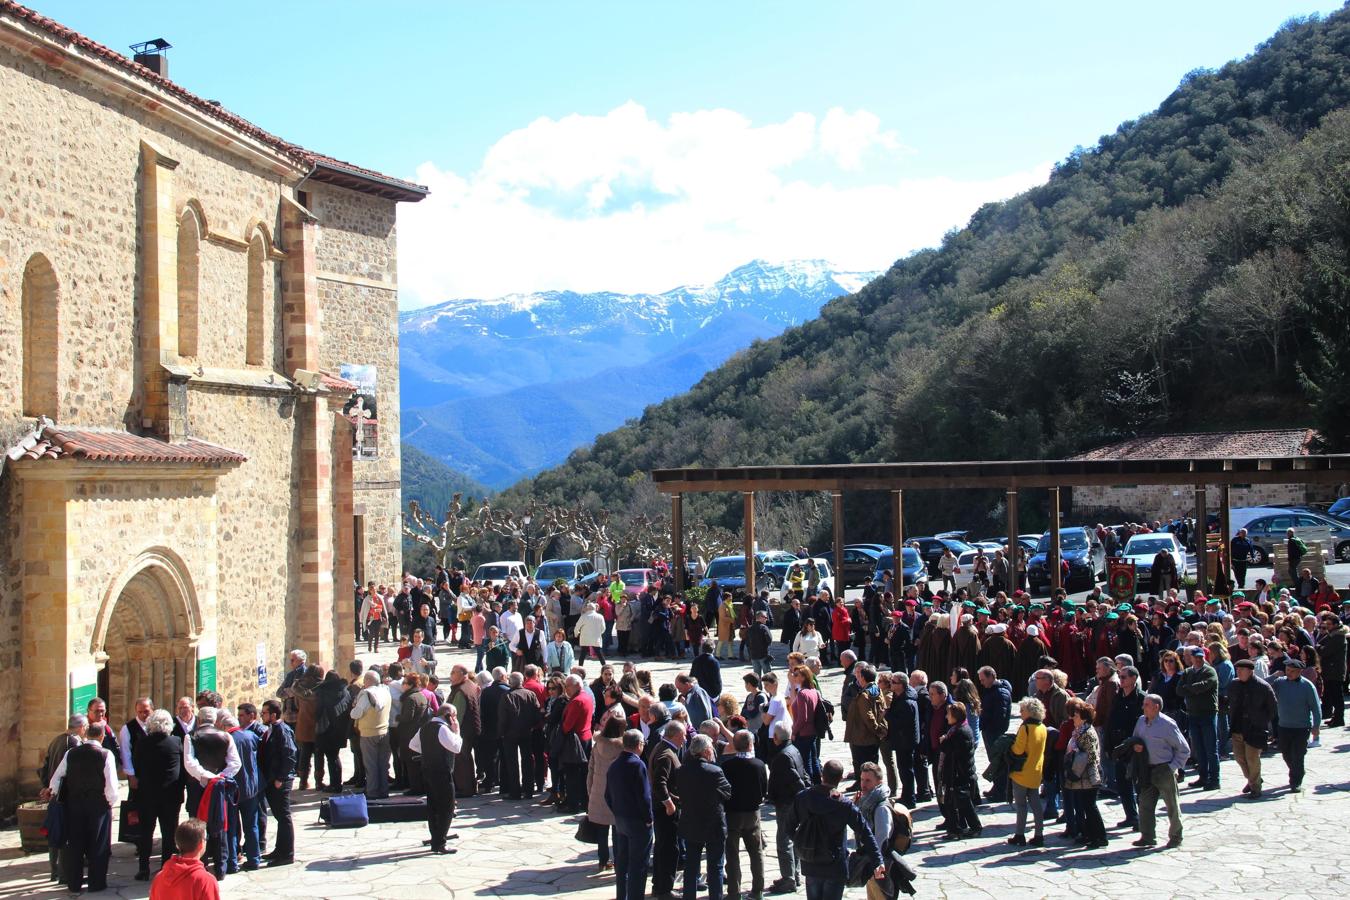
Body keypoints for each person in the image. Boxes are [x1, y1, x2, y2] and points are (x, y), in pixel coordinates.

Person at [43, 720, 118, 894]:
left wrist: (55, 793)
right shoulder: (106, 754)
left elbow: (56, 780)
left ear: (86, 734)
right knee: (98, 844)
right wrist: (109, 804)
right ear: (102, 736)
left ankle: (74, 883)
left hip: (74, 805)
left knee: (75, 845)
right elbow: (111, 786)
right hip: (98, 806)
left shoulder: (71, 753)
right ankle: (96, 882)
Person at [792, 758, 882, 900]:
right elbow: (865, 831)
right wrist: (878, 861)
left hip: (810, 862)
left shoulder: (802, 798)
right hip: (834, 865)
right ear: (840, 779)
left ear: (822, 775)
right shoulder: (844, 805)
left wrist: (803, 842)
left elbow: (788, 827)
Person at [182, 707, 240, 880]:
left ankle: (201, 865)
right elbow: (235, 763)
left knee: (197, 826)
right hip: (218, 787)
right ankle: (221, 867)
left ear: (199, 720)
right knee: (219, 823)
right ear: (215, 721)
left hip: (198, 786)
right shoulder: (226, 736)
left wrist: (205, 776)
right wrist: (219, 777)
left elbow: (189, 762)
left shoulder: (190, 737)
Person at [675, 734, 733, 900]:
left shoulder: (681, 771)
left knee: (691, 866)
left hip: (691, 822)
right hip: (713, 823)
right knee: (715, 865)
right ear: (707, 751)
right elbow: (728, 792)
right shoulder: (714, 771)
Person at [1131, 693, 1190, 849]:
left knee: (1172, 805)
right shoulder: (1141, 722)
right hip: (1147, 769)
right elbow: (1135, 739)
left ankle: (1176, 836)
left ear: (1156, 707)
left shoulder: (1167, 724)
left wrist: (1172, 767)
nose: (1143, 707)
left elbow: (1184, 750)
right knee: (1144, 804)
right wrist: (1135, 747)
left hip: (1164, 769)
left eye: (1147, 705)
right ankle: (1147, 836)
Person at [131, 709, 183, 880]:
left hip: (148, 794)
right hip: (170, 795)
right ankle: (165, 867)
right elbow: (182, 769)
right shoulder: (176, 742)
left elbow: (137, 766)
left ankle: (143, 868)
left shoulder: (142, 743)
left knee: (146, 832)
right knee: (169, 833)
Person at [409, 702, 463, 854]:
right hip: (442, 772)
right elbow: (456, 748)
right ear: (449, 716)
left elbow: (413, 745)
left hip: (427, 770)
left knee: (433, 806)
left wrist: (428, 750)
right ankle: (440, 842)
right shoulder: (443, 729)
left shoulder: (425, 727)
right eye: (455, 716)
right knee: (446, 807)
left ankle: (436, 837)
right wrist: (456, 732)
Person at [606, 729, 653, 900]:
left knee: (623, 864)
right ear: (639, 744)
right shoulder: (637, 765)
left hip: (621, 820)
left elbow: (607, 795)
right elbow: (644, 796)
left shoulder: (614, 764)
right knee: (638, 865)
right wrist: (648, 819)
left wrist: (617, 812)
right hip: (638, 822)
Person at [721, 730, 769, 900]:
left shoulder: (727, 766)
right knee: (756, 853)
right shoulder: (759, 764)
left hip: (732, 814)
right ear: (751, 744)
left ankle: (734, 893)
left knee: (732, 855)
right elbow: (764, 789)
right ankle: (757, 891)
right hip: (752, 814)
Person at [767, 721, 808, 895]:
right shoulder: (793, 749)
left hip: (786, 802)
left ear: (776, 738)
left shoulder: (782, 756)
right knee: (792, 839)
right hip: (792, 802)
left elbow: (795, 780)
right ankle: (794, 875)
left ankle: (788, 878)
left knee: (784, 842)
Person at [1227, 658, 1276, 798]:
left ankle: (1255, 788)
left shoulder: (1263, 686)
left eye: (1241, 670)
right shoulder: (1234, 685)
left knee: (1252, 758)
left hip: (1255, 729)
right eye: (1237, 670)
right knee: (1239, 757)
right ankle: (1254, 779)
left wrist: (1261, 721)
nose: (1239, 672)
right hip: (1238, 727)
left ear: (1250, 671)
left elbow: (1272, 708)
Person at [1272, 657, 1321, 792]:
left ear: (1300, 672)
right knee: (1286, 754)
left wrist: (1316, 726)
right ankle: (1297, 770)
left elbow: (1316, 708)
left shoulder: (1307, 686)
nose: (1289, 673)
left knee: (1298, 755)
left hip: (1301, 727)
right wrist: (1274, 675)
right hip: (1283, 726)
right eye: (1287, 670)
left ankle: (1296, 781)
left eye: (1293, 671)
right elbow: (1265, 686)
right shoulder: (1280, 683)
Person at [258, 700, 297, 867]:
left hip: (281, 781)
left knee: (284, 815)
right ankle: (279, 850)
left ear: (273, 715)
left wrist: (281, 778)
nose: (262, 715)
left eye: (264, 713)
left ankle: (287, 853)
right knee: (279, 816)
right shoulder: (272, 729)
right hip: (273, 779)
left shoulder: (282, 730)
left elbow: (290, 754)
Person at [221, 711, 260, 874]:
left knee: (231, 827)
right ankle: (254, 859)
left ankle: (232, 862)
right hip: (250, 788)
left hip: (232, 789)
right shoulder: (250, 736)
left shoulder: (225, 740)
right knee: (252, 825)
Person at [1063, 700, 1107, 849]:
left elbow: (1091, 756)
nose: (1072, 717)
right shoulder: (1079, 730)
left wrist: (1075, 754)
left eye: (1075, 715)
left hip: (1088, 774)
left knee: (1090, 806)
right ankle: (1089, 834)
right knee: (1084, 805)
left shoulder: (1087, 732)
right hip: (1081, 774)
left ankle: (1100, 836)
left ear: (1083, 716)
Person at [649, 720, 685, 900]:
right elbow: (659, 783)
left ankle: (659, 886)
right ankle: (664, 889)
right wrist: (669, 803)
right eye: (683, 736)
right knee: (669, 849)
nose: (685, 739)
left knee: (664, 847)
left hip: (663, 808)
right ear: (675, 735)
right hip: (666, 811)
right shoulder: (665, 754)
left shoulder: (662, 747)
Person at [1006, 697, 1048, 847]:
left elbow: (1018, 750)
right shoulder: (1042, 727)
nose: (1020, 712)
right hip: (1035, 772)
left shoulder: (1025, 728)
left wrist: (1009, 747)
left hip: (1021, 773)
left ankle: (1019, 834)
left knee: (1021, 806)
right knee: (1036, 805)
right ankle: (1039, 834)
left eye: (1022, 710)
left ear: (1029, 712)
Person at [1177, 645, 1220, 790]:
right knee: (1199, 748)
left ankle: (1214, 779)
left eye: (1201, 657)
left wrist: (1189, 688)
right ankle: (1203, 777)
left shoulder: (1210, 671)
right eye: (1195, 657)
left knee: (1211, 748)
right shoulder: (1187, 672)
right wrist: (1192, 689)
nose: (1198, 660)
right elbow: (1179, 690)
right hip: (1193, 713)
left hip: (1208, 713)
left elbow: (1205, 685)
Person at [937, 701, 981, 839]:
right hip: (955, 772)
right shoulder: (958, 729)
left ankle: (972, 827)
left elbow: (953, 751)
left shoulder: (960, 732)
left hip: (958, 773)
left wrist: (943, 741)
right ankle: (955, 828)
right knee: (954, 802)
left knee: (962, 802)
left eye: (948, 714)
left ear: (955, 716)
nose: (946, 717)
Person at [586, 717, 625, 873]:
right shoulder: (622, 749)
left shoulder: (597, 745)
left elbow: (590, 769)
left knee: (602, 831)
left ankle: (602, 861)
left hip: (598, 791)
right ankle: (618, 861)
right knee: (617, 831)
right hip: (616, 794)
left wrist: (590, 791)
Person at [149, 819, 220, 900]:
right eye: (206, 838)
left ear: (177, 845)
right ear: (201, 844)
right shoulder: (206, 881)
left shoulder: (159, 878)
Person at [351, 670, 392, 800]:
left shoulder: (367, 694)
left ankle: (373, 791)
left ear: (368, 681)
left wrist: (353, 708)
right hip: (384, 731)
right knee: (383, 763)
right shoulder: (386, 691)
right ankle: (384, 790)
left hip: (369, 732)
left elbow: (356, 713)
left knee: (371, 764)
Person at [560, 673, 595, 813]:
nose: (566, 689)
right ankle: (583, 801)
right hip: (586, 737)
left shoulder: (576, 701)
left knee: (572, 773)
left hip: (575, 740)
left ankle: (573, 804)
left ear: (576, 685)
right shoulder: (587, 696)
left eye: (567, 686)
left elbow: (568, 725)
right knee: (583, 773)